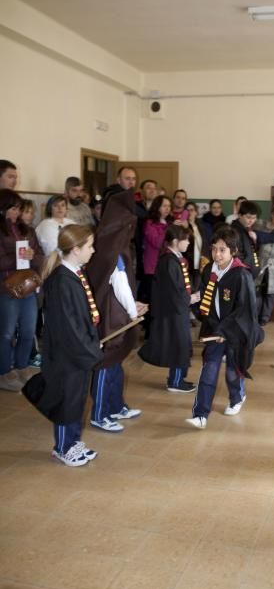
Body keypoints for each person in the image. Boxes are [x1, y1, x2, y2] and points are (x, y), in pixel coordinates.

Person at [22, 224, 103, 467]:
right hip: (67, 356)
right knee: (67, 401)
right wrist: (90, 351)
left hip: (76, 353)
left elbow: (81, 318)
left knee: (77, 399)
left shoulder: (75, 273)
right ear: (76, 249)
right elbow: (69, 327)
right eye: (90, 246)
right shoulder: (61, 282)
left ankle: (73, 441)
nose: (94, 250)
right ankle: (63, 446)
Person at [186, 225, 264, 429]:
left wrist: (225, 331)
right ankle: (200, 414)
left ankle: (237, 397)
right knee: (209, 370)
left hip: (235, 331)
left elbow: (244, 310)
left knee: (232, 369)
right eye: (214, 249)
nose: (217, 254)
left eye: (222, 250)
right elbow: (206, 301)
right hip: (214, 329)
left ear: (233, 251)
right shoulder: (207, 271)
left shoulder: (241, 275)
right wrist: (195, 301)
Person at [86, 189, 148, 432]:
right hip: (111, 315)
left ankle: (116, 405)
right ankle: (100, 413)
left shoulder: (111, 242)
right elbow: (120, 284)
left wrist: (133, 306)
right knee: (106, 362)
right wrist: (134, 312)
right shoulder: (112, 247)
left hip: (117, 312)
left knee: (116, 361)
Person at [138, 225, 200, 392]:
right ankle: (175, 382)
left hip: (177, 310)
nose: (188, 242)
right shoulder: (169, 261)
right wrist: (189, 298)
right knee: (179, 346)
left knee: (180, 345)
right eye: (185, 239)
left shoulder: (175, 258)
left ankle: (177, 379)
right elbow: (174, 290)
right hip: (173, 312)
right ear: (175, 241)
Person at [0, 190, 44, 391]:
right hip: (6, 287)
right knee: (7, 333)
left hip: (27, 286)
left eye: (19, 208)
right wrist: (17, 256)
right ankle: (4, 372)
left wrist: (32, 255)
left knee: (28, 330)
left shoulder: (28, 230)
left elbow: (40, 258)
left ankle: (22, 366)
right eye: (14, 208)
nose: (18, 212)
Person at [185, 201, 210, 292]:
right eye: (187, 210)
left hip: (200, 262)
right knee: (190, 289)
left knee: (199, 289)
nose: (190, 212)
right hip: (189, 262)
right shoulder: (184, 226)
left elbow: (205, 243)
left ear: (196, 212)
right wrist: (186, 226)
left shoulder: (200, 225)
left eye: (192, 210)